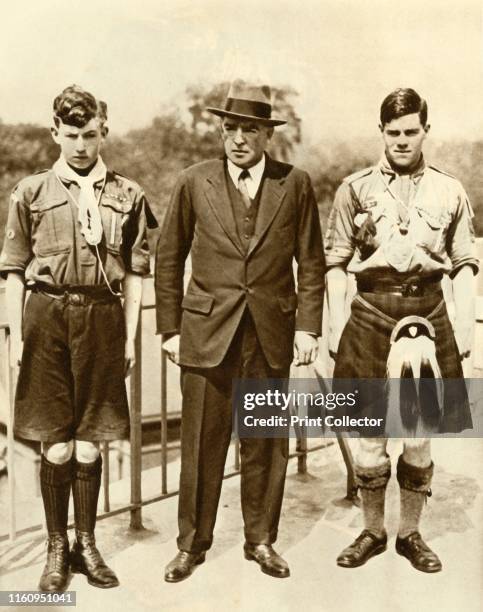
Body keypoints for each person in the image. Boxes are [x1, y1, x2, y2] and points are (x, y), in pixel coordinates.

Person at [155, 79, 325, 582]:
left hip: (271, 333)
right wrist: (169, 330)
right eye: (231, 128)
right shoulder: (193, 181)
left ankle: (261, 540)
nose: (238, 139)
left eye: (250, 129)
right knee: (201, 446)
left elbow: (311, 264)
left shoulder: (294, 184)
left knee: (265, 443)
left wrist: (308, 330)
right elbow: (168, 259)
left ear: (267, 135)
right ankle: (191, 545)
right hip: (206, 334)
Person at [0, 85, 156, 591]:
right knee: (57, 445)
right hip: (46, 318)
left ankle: (87, 544)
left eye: (90, 134)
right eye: (71, 135)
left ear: (103, 131)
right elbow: (13, 272)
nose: (82, 146)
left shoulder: (129, 194)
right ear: (55, 134)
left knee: (90, 445)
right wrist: (19, 338)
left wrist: (131, 339)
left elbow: (135, 273)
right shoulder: (30, 192)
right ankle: (55, 547)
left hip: (104, 321)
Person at [325, 88, 478, 573]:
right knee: (368, 435)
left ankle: (411, 534)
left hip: (428, 316)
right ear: (382, 132)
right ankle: (371, 530)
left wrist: (468, 327)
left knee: (417, 434)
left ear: (425, 131)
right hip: (371, 312)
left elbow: (464, 264)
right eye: (394, 133)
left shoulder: (449, 190)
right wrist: (333, 323)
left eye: (411, 131)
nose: (402, 141)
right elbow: (335, 264)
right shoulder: (355, 189)